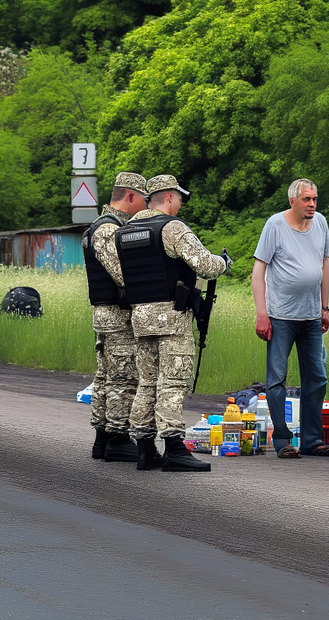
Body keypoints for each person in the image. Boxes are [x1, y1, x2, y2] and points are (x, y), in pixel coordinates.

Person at [116, 175, 231, 473]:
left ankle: (145, 449)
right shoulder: (172, 227)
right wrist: (224, 263)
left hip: (140, 318)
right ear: (168, 197)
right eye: (179, 197)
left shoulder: (126, 231)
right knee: (173, 382)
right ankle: (175, 448)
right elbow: (205, 264)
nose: (180, 203)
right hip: (171, 317)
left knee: (148, 382)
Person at [250, 178, 329, 458]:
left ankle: (312, 440)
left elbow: (325, 264)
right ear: (293, 201)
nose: (312, 204)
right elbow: (258, 270)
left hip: (311, 315)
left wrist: (325, 308)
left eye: (314, 199)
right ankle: (283, 440)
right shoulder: (275, 225)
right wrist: (261, 313)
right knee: (277, 378)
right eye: (307, 200)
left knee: (317, 377)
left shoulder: (320, 223)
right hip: (280, 315)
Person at [83, 171, 150, 463]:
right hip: (115, 314)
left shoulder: (107, 225)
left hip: (108, 313)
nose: (148, 206)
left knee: (107, 377)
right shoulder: (108, 229)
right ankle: (118, 437)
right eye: (145, 200)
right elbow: (122, 274)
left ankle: (103, 438)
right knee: (122, 378)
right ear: (130, 196)